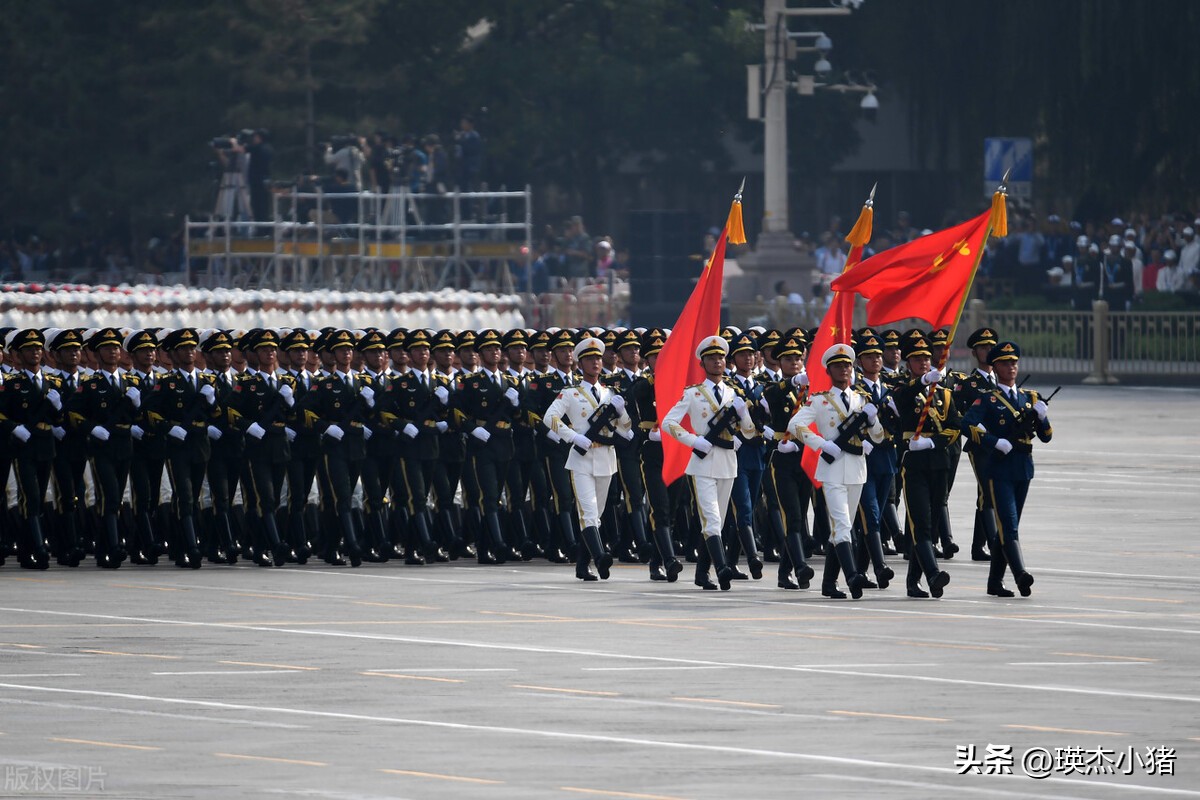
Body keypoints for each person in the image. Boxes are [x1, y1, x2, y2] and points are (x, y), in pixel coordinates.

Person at [662, 335, 756, 591]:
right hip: (702, 463)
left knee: (718, 521)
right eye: (712, 358)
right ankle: (722, 566)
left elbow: (749, 433)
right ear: (702, 363)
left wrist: (744, 414)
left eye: (721, 357)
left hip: (727, 462)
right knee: (712, 519)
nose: (718, 361)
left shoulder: (733, 393)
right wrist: (694, 440)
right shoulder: (693, 393)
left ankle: (702, 574)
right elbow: (668, 423)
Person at [789, 343, 881, 599]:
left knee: (842, 527)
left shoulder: (862, 399)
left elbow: (880, 436)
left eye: (847, 365)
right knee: (842, 526)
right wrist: (821, 444)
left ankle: (829, 582)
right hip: (831, 470)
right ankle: (852, 576)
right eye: (838, 365)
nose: (844, 369)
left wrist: (873, 421)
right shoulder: (819, 400)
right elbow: (795, 425)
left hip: (856, 469)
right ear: (829, 370)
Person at [963, 342, 1053, 597]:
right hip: (999, 468)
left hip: (1023, 467)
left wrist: (1043, 417)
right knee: (1009, 525)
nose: (1011, 367)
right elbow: (967, 425)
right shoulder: (989, 399)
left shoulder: (1029, 398)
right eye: (1005, 363)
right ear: (995, 367)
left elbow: (1046, 436)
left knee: (1007, 527)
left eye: (1014, 362)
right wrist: (993, 441)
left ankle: (994, 582)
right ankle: (1020, 574)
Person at [543, 336, 633, 581]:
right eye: (589, 359)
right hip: (581, 458)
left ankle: (582, 566)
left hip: (605, 458)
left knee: (597, 514)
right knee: (588, 512)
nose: (595, 362)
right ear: (580, 365)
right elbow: (549, 418)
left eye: (597, 358)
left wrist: (623, 412)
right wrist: (572, 437)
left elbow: (626, 429)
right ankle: (601, 556)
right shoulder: (571, 393)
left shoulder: (610, 393)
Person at [888, 333, 957, 599]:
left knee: (931, 520)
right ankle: (932, 573)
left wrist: (933, 443)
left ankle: (913, 581)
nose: (924, 363)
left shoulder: (944, 394)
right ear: (908, 363)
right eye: (918, 359)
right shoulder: (901, 386)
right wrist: (922, 383)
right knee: (920, 521)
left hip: (938, 461)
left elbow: (954, 427)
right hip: (912, 463)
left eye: (927, 359)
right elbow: (902, 400)